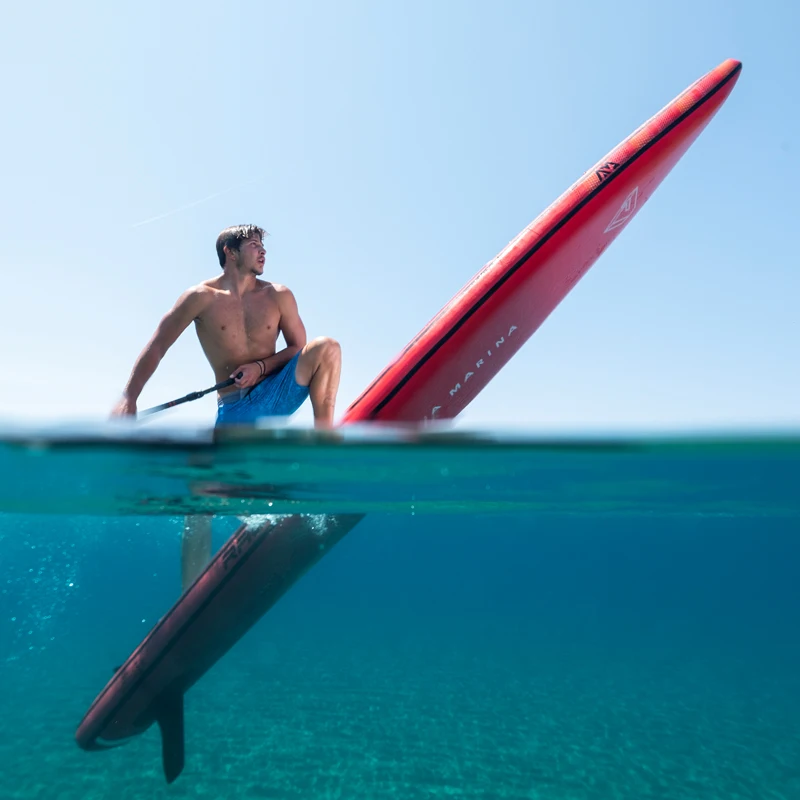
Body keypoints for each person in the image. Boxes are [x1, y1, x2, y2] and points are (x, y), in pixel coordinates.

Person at [111, 223, 342, 591]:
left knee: (326, 347)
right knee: (200, 492)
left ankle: (323, 446)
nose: (263, 252)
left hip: (278, 391)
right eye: (254, 246)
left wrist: (261, 368)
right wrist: (129, 396)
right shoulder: (200, 297)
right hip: (236, 410)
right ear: (230, 253)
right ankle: (190, 597)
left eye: (263, 246)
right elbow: (158, 346)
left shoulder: (278, 295)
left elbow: (299, 349)